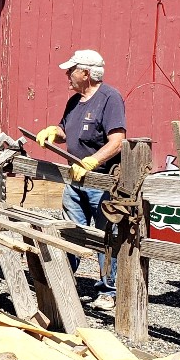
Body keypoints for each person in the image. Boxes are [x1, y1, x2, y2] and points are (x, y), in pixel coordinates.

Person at [36, 50, 126, 311]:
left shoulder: (110, 98)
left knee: (105, 236)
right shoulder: (75, 101)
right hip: (74, 181)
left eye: (71, 70)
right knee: (69, 232)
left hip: (100, 183)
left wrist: (92, 162)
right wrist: (55, 132)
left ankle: (109, 291)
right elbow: (66, 132)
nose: (67, 74)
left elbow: (117, 141)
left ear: (86, 73)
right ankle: (64, 283)